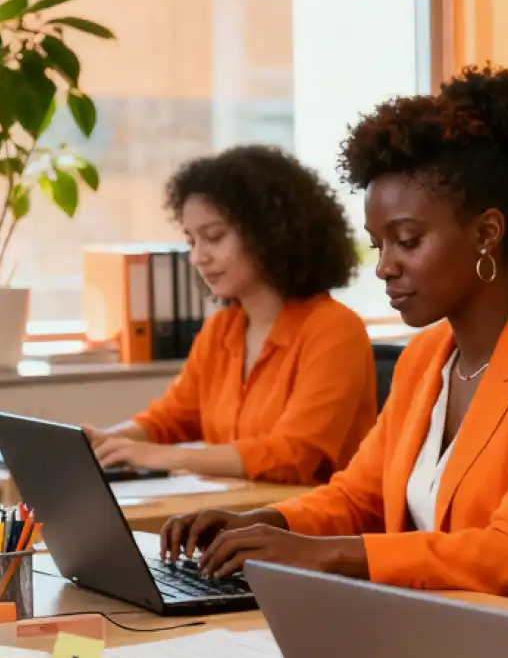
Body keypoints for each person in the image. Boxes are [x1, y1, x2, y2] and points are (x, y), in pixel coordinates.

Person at [161, 66, 508, 658]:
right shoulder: (426, 358)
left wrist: (330, 558)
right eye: (378, 244)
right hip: (433, 649)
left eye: (408, 241)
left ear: (486, 233)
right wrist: (263, 521)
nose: (386, 267)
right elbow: (356, 498)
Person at [87, 145, 376, 485]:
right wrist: (109, 441)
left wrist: (167, 457)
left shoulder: (335, 330)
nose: (197, 257)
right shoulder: (222, 329)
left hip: (316, 527)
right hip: (240, 515)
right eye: (191, 240)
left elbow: (294, 456)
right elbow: (170, 418)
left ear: (271, 235)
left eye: (214, 237)